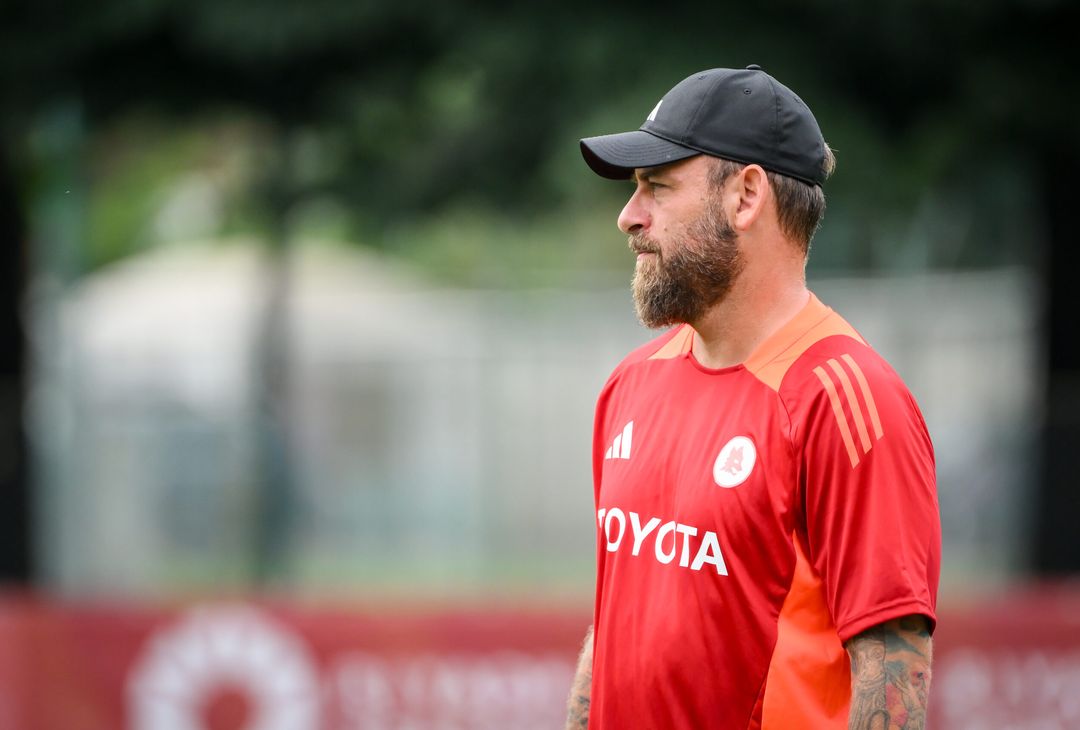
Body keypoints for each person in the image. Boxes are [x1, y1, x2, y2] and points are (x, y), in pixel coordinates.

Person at [565, 65, 941, 729]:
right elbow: (612, 631)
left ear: (745, 197)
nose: (629, 217)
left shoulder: (849, 402)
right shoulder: (631, 384)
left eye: (656, 187)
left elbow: (892, 674)